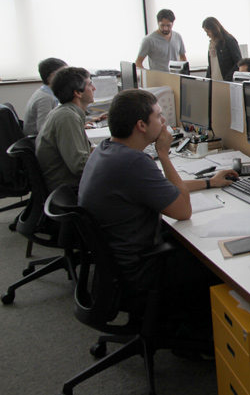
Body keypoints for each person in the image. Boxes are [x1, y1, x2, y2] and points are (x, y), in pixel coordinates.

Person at [78, 89, 236, 335]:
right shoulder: (134, 163)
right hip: (140, 271)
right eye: (159, 116)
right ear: (141, 125)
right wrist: (164, 153)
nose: (164, 123)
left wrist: (209, 182)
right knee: (217, 262)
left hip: (116, 266)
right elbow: (183, 211)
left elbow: (162, 188)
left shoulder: (107, 149)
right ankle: (195, 337)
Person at [35, 67, 96, 191]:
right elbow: (80, 167)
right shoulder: (67, 117)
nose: (94, 88)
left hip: (67, 182)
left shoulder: (67, 111)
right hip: (67, 189)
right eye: (90, 84)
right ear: (77, 93)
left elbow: (87, 150)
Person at [22, 57, 67, 136]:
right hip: (38, 143)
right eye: (64, 74)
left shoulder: (45, 92)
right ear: (52, 77)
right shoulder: (45, 98)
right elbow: (44, 130)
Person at [136, 9, 187, 73]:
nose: (165, 28)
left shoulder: (178, 36)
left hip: (175, 78)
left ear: (173, 23)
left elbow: (183, 57)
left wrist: (183, 72)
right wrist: (147, 75)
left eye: (168, 25)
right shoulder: (149, 40)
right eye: (162, 25)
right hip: (158, 79)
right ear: (158, 23)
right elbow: (138, 62)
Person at [202, 17, 242, 82]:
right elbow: (211, 65)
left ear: (214, 29)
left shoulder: (229, 40)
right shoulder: (212, 44)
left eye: (208, 31)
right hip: (214, 81)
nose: (207, 34)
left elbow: (238, 62)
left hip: (226, 81)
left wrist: (228, 79)